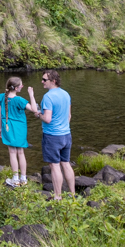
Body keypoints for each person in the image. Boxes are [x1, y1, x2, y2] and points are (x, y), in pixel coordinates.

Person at [34, 69, 74, 199]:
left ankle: (58, 197)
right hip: (66, 135)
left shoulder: (48, 97)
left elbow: (47, 119)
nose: (42, 82)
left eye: (44, 80)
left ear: (53, 81)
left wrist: (38, 114)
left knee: (54, 166)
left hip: (52, 136)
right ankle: (73, 195)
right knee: (66, 163)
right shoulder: (66, 94)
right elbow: (69, 116)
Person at [0, 76, 39, 187]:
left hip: (7, 127)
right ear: (15, 88)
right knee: (21, 152)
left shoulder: (1, 97)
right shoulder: (20, 100)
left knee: (12, 153)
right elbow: (34, 109)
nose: (22, 86)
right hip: (20, 128)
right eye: (21, 85)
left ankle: (15, 179)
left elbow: (0, 115)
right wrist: (31, 95)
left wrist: (0, 128)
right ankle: (23, 179)